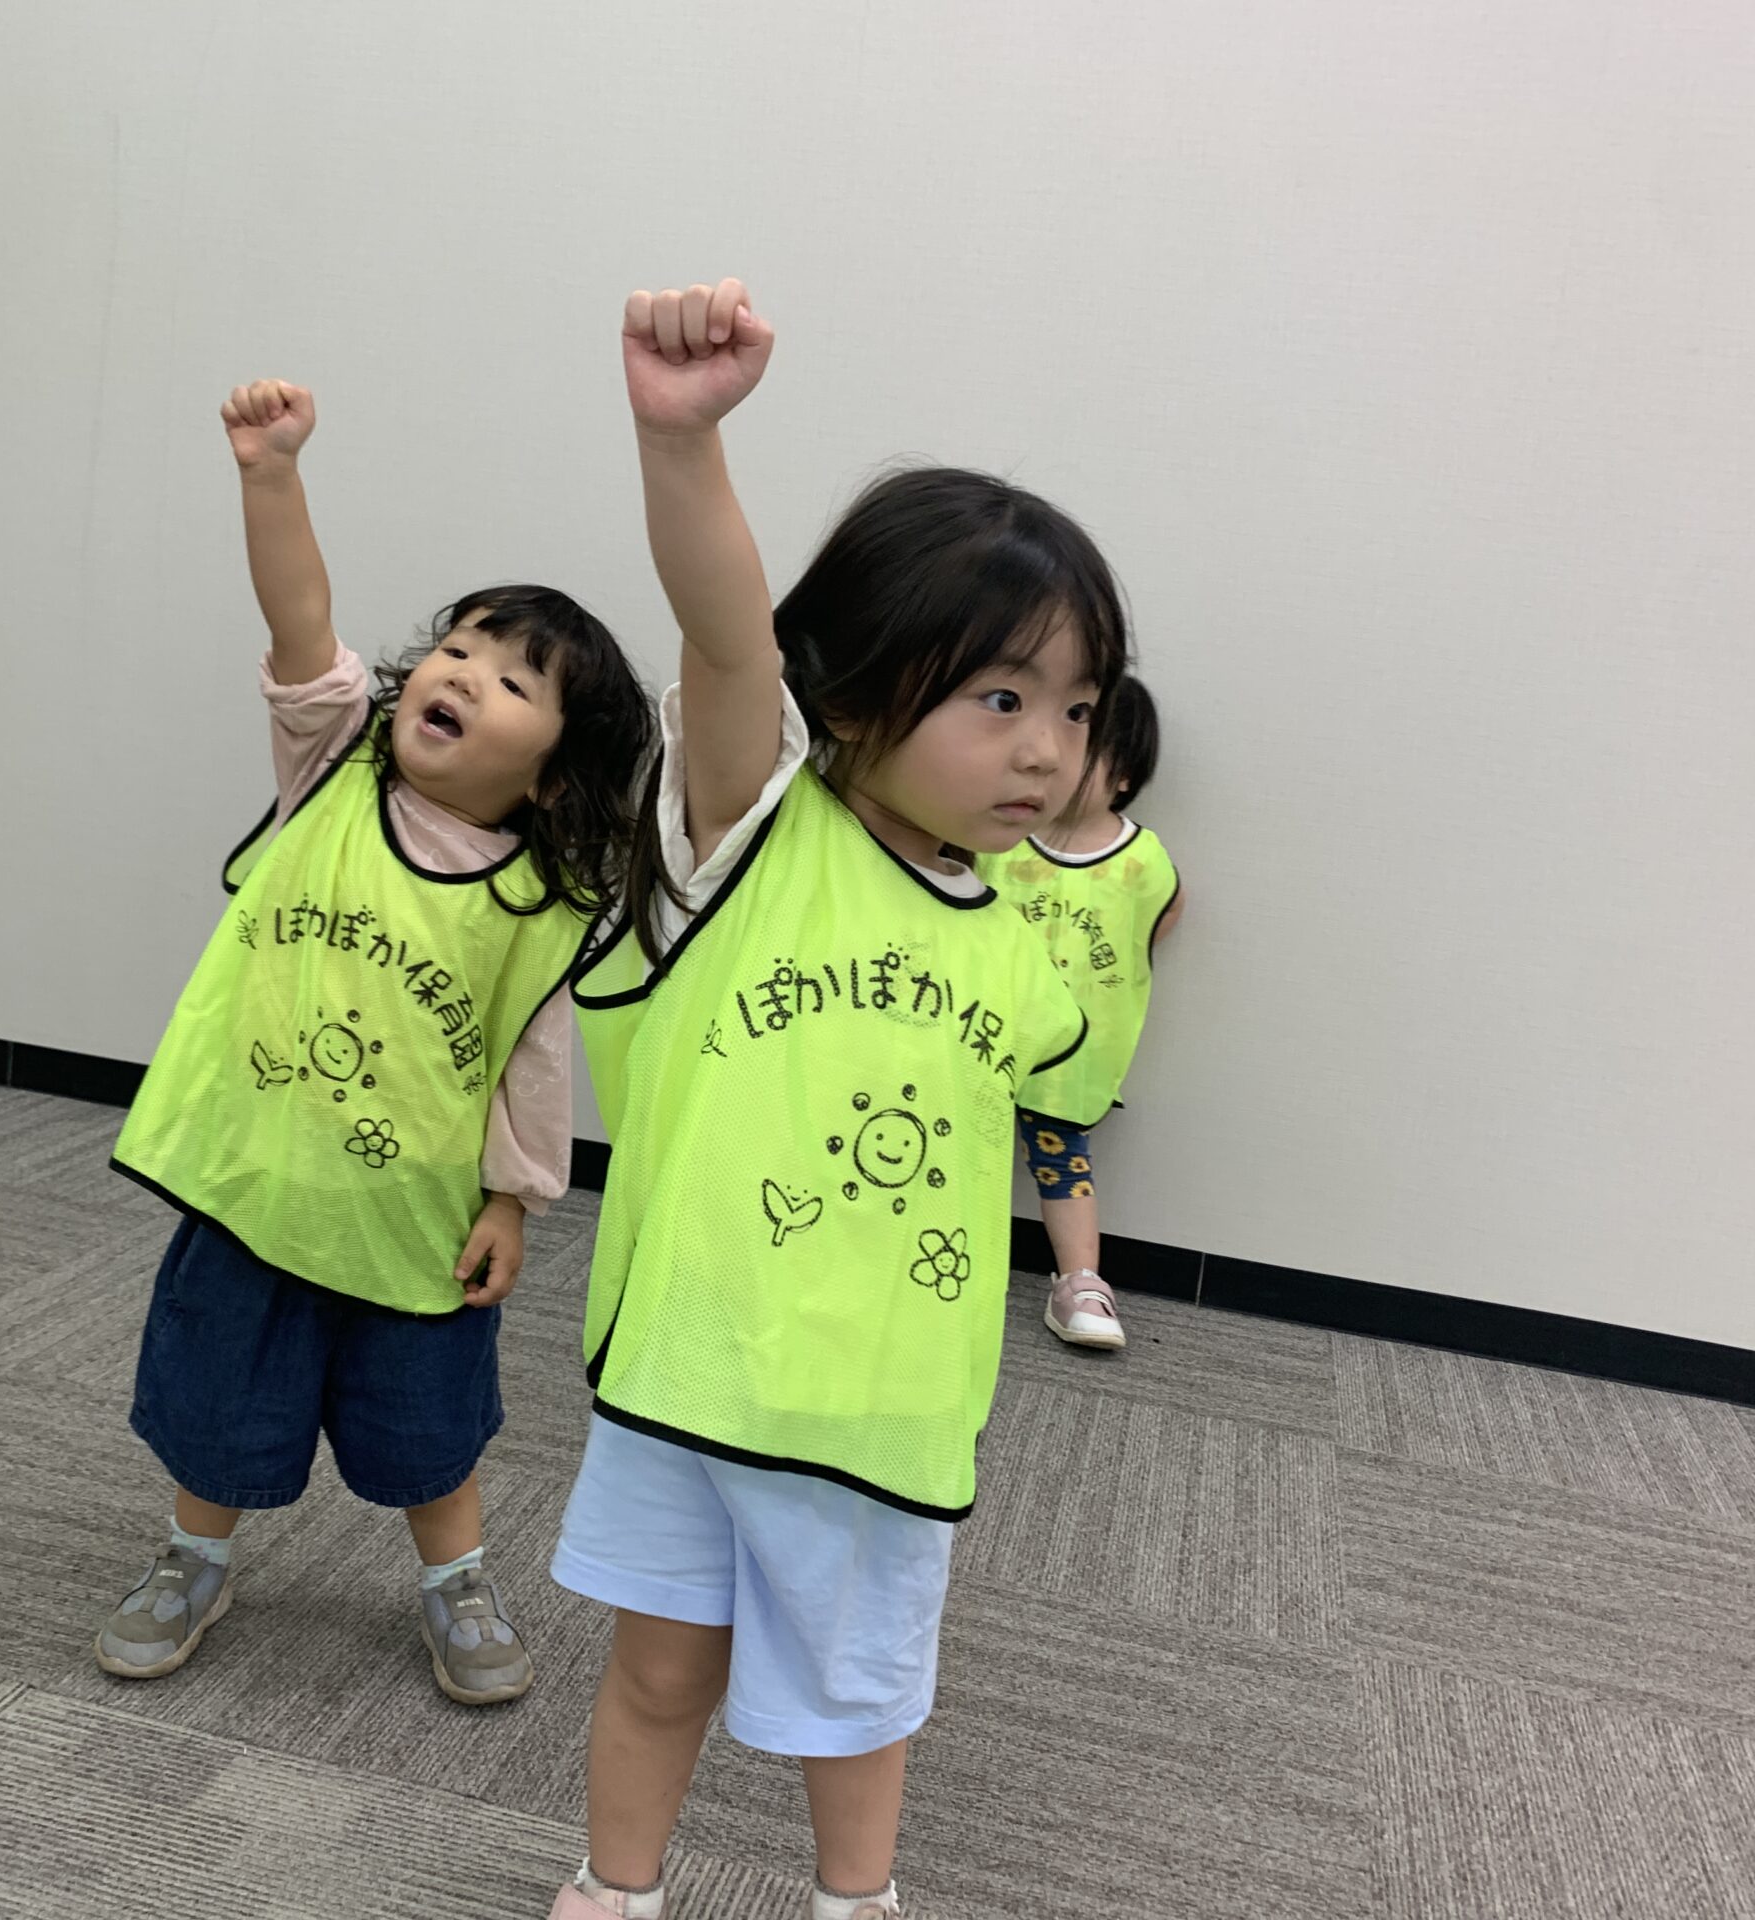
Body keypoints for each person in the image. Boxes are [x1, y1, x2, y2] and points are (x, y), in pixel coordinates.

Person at [547, 280, 1125, 1920]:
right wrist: (683, 441)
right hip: (692, 1372)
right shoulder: (751, 832)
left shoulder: (1015, 934)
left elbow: (1051, 1072)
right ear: (858, 691)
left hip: (876, 1412)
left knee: (857, 1713)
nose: (1048, 751)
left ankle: (854, 1904)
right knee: (660, 1672)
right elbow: (730, 634)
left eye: (1077, 710)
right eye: (1000, 699)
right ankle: (613, 1892)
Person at [93, 377, 653, 1706]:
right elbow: (300, 621)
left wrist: (514, 1202)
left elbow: (530, 1060)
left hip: (413, 1216)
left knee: (426, 1430)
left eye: (511, 680)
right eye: (457, 649)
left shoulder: (537, 899)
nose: (461, 674)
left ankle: (456, 1582)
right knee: (219, 1404)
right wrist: (270, 474)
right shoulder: (332, 767)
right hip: (256, 1179)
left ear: (552, 774)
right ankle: (191, 1558)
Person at [977, 674, 1184, 1349]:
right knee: (954, 1143)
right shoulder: (1001, 841)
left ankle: (1081, 1283)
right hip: (980, 1041)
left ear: (1123, 777)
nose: (1059, 766)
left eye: (1085, 753)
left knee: (1064, 1164)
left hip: (1069, 1058)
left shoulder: (1142, 864)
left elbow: (1159, 921)